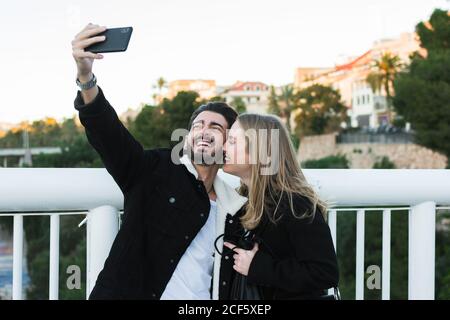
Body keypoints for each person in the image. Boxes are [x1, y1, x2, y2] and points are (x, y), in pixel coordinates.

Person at [71, 23, 247, 300]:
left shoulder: (236, 207)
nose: (203, 130)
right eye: (198, 125)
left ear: (229, 142)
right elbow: (107, 132)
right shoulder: (154, 169)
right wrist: (86, 77)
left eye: (216, 127)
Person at [221, 113, 339, 299]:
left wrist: (260, 268)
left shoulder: (295, 205)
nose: (224, 146)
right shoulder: (242, 200)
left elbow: (324, 273)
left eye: (233, 141)